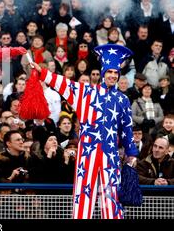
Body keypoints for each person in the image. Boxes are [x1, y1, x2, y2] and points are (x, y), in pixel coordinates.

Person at [31, 43, 138, 219]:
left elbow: (126, 129)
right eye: (109, 72)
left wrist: (131, 153)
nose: (112, 75)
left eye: (115, 73)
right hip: (87, 152)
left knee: (111, 200)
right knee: (83, 199)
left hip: (110, 154)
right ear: (103, 73)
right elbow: (62, 82)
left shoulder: (123, 99)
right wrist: (42, 73)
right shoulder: (84, 91)